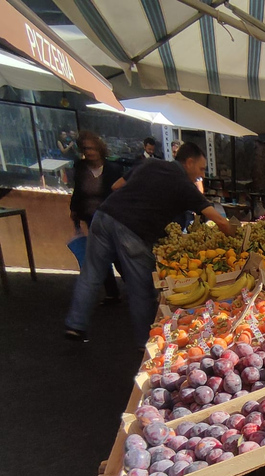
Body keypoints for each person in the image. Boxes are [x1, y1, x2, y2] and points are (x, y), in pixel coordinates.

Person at [64, 142, 235, 347]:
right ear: (189, 162)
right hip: (133, 231)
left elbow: (116, 186)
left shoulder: (149, 165)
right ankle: (145, 344)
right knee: (141, 289)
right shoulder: (184, 185)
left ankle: (75, 324)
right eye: (200, 169)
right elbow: (219, 220)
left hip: (104, 216)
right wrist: (235, 235)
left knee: (91, 274)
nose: (201, 175)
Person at [69, 131, 124, 303]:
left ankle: (135, 287)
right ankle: (112, 293)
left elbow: (120, 193)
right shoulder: (80, 168)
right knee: (99, 255)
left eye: (93, 148)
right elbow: (77, 190)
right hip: (91, 217)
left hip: (112, 217)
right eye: (86, 148)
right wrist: (74, 210)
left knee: (117, 254)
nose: (90, 152)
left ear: (100, 148)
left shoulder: (113, 169)